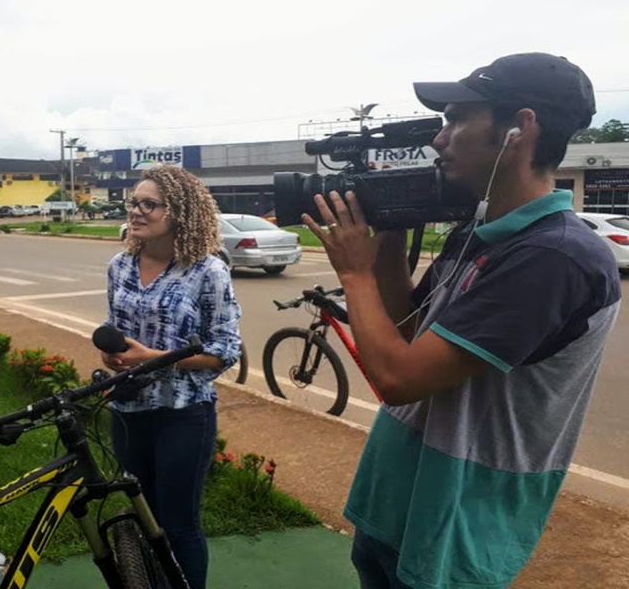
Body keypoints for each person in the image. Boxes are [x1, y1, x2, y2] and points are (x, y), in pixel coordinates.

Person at [301, 53, 620, 588]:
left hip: (453, 524)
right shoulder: (477, 230)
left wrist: (354, 273)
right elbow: (407, 339)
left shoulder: (555, 257)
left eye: (456, 119)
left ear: (519, 128)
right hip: (396, 505)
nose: (439, 139)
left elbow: (398, 381)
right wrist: (388, 240)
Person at [100, 164, 242, 589]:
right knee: (138, 518)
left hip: (183, 414)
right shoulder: (119, 266)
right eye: (134, 203)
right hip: (127, 408)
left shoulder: (207, 271)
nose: (137, 212)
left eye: (150, 204)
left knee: (178, 525)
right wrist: (114, 354)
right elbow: (116, 326)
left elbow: (226, 350)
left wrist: (157, 358)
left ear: (179, 212)